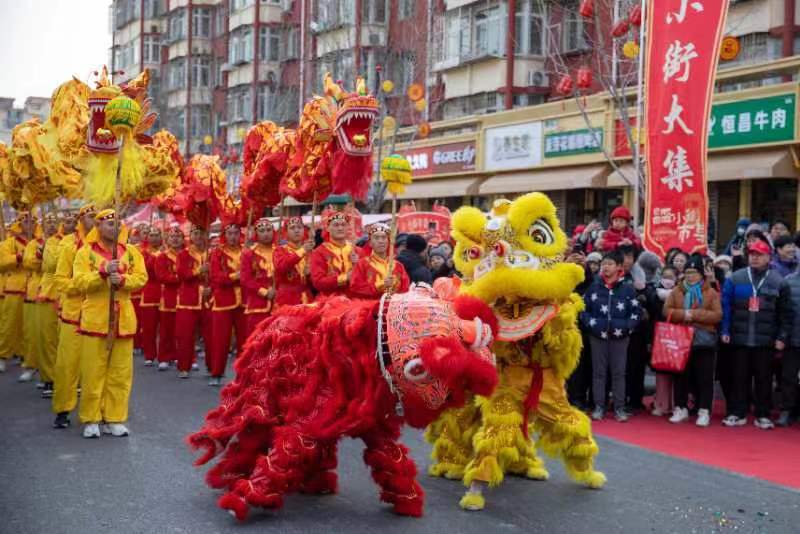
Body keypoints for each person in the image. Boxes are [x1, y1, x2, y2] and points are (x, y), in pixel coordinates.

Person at [73, 209, 147, 438]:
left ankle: (114, 417)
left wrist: (123, 280)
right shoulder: (85, 252)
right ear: (98, 227)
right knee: (93, 371)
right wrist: (102, 273)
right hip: (95, 319)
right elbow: (79, 281)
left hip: (123, 318)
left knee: (120, 372)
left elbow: (142, 278)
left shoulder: (132, 252)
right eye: (108, 224)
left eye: (116, 223)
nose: (113, 228)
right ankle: (91, 418)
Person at [720, 237, 792, 429]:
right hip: (739, 337)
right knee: (738, 378)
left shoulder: (779, 282)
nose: (754, 258)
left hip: (765, 340)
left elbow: (786, 314)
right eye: (752, 254)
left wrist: (781, 337)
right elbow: (726, 307)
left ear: (769, 257)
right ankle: (737, 412)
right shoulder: (736, 278)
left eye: (759, 255)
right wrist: (725, 330)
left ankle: (763, 414)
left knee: (764, 379)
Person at [581, 250, 640, 422]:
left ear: (619, 267)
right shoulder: (594, 286)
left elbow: (636, 313)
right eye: (604, 264)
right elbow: (583, 310)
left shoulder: (628, 289)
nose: (606, 267)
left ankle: (619, 408)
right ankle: (599, 406)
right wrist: (594, 325)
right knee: (598, 373)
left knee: (618, 373)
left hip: (620, 338)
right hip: (597, 336)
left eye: (610, 264)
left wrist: (626, 327)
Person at [663, 255, 722, 427]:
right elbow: (666, 310)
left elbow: (717, 315)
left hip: (704, 339)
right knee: (681, 375)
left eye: (694, 272)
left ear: (702, 274)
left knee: (704, 377)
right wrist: (684, 314)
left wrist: (694, 315)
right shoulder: (677, 290)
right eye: (687, 272)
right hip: (681, 338)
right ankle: (680, 408)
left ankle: (704, 410)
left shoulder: (710, 292)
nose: (690, 276)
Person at [51, 204, 95, 429]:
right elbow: (60, 280)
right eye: (90, 216)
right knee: (67, 365)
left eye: (97, 216)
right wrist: (83, 285)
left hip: (98, 315)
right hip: (73, 314)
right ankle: (63, 409)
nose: (94, 219)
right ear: (81, 219)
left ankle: (96, 411)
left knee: (96, 367)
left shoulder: (106, 246)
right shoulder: (68, 244)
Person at [207, 222, 246, 387]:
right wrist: (235, 276)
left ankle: (244, 374)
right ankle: (216, 372)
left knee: (245, 341)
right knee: (220, 339)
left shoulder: (247, 252)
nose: (233, 236)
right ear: (225, 235)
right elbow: (216, 277)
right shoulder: (217, 253)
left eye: (236, 233)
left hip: (244, 301)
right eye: (230, 233)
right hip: (223, 300)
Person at [626, 251, 661, 413]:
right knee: (628, 367)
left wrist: (645, 290)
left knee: (637, 367)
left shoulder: (655, 284)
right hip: (628, 329)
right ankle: (627, 398)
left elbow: (654, 307)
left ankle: (635, 399)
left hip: (644, 332)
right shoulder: (628, 279)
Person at [0, 213, 34, 375]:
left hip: (33, 289)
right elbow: (3, 262)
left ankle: (27, 359)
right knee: (9, 324)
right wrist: (19, 257)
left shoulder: (37, 242)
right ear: (19, 224)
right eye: (26, 221)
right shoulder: (9, 243)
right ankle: (2, 355)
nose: (30, 224)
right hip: (14, 288)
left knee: (28, 327)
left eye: (33, 221)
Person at [35, 213, 63, 398]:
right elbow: (50, 264)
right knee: (47, 339)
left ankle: (69, 378)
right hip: (48, 292)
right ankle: (49, 378)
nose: (52, 225)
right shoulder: (41, 242)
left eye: (55, 222)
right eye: (49, 222)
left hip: (69, 293)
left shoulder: (73, 241)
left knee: (67, 341)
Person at [349, 223, 410, 299]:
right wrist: (380, 285)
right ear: (370, 243)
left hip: (393, 307)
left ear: (388, 242)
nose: (380, 241)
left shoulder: (398, 266)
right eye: (376, 238)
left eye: (384, 238)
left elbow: (405, 290)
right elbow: (355, 289)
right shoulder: (362, 264)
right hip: (370, 308)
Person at [154, 224, 185, 371]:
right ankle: (164, 357)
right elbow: (162, 276)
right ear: (167, 239)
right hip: (168, 296)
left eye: (178, 236)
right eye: (172, 236)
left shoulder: (187, 255)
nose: (175, 239)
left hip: (186, 296)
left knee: (182, 329)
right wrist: (182, 277)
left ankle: (179, 355)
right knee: (166, 329)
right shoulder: (162, 257)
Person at [20, 215, 47, 383]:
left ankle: (52, 372)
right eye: (47, 223)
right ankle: (31, 365)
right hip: (34, 291)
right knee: (33, 332)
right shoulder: (33, 244)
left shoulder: (65, 242)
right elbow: (28, 263)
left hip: (58, 292)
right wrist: (40, 256)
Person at [240, 218, 276, 337]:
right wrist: (264, 292)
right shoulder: (248, 253)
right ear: (256, 234)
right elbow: (246, 279)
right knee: (257, 341)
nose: (266, 233)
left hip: (279, 302)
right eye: (262, 231)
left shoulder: (280, 251)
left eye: (268, 230)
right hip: (257, 304)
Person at [310, 213, 360, 298]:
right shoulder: (319, 252)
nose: (340, 228)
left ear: (348, 227)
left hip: (355, 300)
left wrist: (360, 266)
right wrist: (345, 277)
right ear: (328, 228)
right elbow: (318, 283)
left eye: (343, 225)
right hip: (329, 300)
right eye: (336, 225)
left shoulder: (358, 251)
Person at [272, 217, 314, 307]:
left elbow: (315, 281)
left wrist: (310, 274)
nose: (296, 230)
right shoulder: (279, 250)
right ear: (286, 232)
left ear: (304, 230)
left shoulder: (310, 252)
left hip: (307, 298)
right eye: (292, 228)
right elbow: (281, 267)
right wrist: (302, 250)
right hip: (286, 299)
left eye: (299, 227)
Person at [778, 267, 800, 427]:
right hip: (792, 339)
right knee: (788, 377)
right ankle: (786, 411)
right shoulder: (788, 282)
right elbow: (782, 312)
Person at [140, 226, 163, 366]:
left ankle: (166, 355)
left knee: (167, 327)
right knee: (149, 327)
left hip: (165, 292)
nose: (154, 238)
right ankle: (149, 354)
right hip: (149, 292)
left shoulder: (167, 252)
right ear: (147, 238)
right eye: (151, 235)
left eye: (157, 235)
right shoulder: (142, 254)